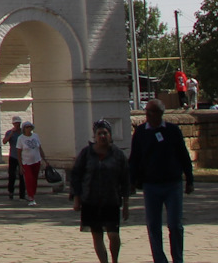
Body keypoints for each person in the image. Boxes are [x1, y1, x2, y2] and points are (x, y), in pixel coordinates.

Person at [129, 98, 194, 263]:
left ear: (159, 114)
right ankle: (159, 259)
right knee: (153, 226)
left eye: (150, 112)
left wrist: (189, 179)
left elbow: (183, 156)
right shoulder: (141, 132)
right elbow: (135, 158)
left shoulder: (172, 131)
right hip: (151, 185)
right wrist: (132, 180)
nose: (147, 115)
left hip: (172, 184)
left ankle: (177, 258)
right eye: (146, 112)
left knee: (175, 225)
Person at [71, 120, 132, 263]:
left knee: (113, 234)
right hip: (90, 200)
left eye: (105, 133)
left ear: (110, 135)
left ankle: (115, 260)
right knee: (97, 235)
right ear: (95, 136)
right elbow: (76, 176)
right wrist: (76, 198)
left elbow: (125, 179)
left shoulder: (118, 155)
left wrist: (126, 203)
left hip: (111, 200)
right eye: (99, 133)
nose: (102, 136)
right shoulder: (86, 153)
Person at [18, 120, 48, 205]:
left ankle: (33, 194)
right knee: (29, 179)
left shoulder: (36, 136)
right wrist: (20, 165)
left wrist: (45, 159)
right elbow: (19, 152)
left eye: (30, 127)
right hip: (26, 162)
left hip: (36, 160)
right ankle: (30, 197)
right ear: (24, 129)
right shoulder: (21, 138)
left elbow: (40, 148)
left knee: (34, 179)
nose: (29, 128)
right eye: (27, 127)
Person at [4, 115, 25, 199]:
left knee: (22, 175)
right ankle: (11, 191)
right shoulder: (9, 132)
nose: (17, 125)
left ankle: (22, 193)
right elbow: (4, 141)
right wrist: (12, 133)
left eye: (18, 123)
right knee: (12, 175)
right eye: (16, 123)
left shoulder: (23, 132)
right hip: (13, 155)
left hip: (23, 156)